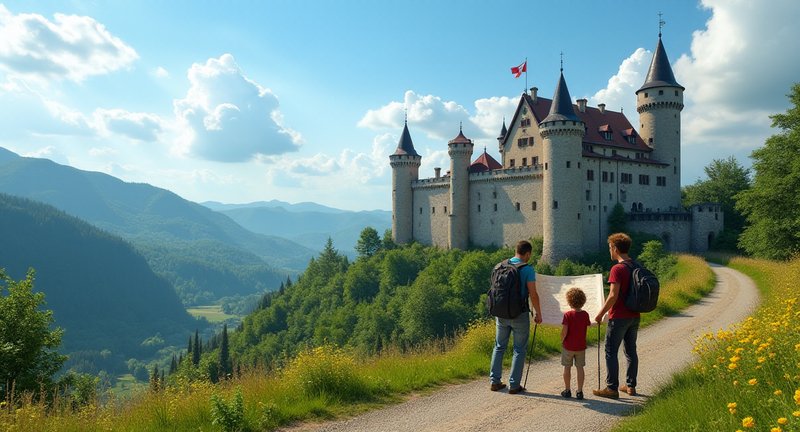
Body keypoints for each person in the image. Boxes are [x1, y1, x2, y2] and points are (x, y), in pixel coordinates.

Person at [489, 240, 543, 394]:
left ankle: (495, 381)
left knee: (499, 347)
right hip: (519, 314)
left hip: (500, 313)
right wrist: (538, 312)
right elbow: (533, 293)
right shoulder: (527, 269)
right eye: (529, 255)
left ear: (515, 251)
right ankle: (514, 385)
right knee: (519, 349)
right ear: (527, 254)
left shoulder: (499, 266)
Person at [593, 232, 640, 399]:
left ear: (615, 248)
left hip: (619, 316)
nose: (610, 251)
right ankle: (630, 386)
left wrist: (600, 314)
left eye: (610, 248)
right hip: (635, 315)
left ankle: (611, 388)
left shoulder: (617, 269)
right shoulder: (635, 265)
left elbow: (613, 295)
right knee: (630, 351)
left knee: (611, 351)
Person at [560, 287, 592, 400]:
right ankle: (579, 391)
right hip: (580, 347)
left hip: (568, 346)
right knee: (580, 368)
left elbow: (564, 331)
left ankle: (567, 390)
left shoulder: (567, 315)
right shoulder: (585, 315)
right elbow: (587, 325)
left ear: (569, 301)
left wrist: (562, 339)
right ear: (583, 300)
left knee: (567, 368)